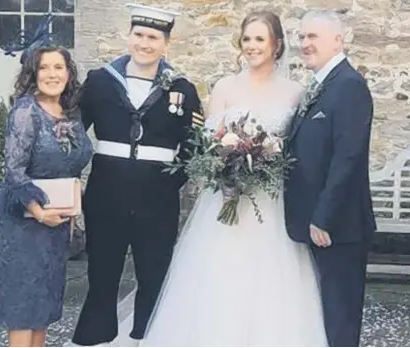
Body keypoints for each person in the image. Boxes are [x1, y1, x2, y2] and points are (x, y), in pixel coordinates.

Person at [140, 11, 328, 347]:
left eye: (260, 39)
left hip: (270, 203)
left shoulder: (296, 93)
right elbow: (209, 143)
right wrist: (224, 165)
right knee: (218, 276)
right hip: (226, 200)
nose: (252, 46)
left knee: (271, 280)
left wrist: (265, 161)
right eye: (247, 39)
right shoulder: (225, 87)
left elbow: (298, 152)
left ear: (277, 46)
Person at [71, 3, 204, 346]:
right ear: (128, 36)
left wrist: (170, 181)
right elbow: (72, 134)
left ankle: (148, 338)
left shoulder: (182, 88)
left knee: (153, 274)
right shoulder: (100, 81)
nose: (145, 43)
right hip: (105, 195)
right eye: (140, 35)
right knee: (102, 273)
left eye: (154, 37)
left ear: (166, 43)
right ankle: (95, 339)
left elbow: (195, 146)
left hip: (157, 200)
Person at [284, 9, 376, 347]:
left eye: (314, 37)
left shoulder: (350, 86)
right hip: (313, 223)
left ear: (338, 40)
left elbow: (347, 158)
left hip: (338, 227)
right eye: (302, 36)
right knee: (320, 316)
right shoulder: (321, 85)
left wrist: (323, 218)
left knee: (340, 319)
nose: (305, 44)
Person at [0, 40, 94, 346]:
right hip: (24, 221)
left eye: (58, 67)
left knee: (44, 305)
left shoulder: (71, 112)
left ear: (68, 72)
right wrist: (39, 212)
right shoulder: (25, 111)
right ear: (32, 74)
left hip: (56, 223)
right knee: (24, 305)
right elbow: (14, 170)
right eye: (44, 67)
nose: (52, 74)